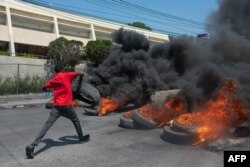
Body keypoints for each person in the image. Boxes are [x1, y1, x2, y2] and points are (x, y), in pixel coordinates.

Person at [25, 64, 90, 159]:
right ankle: (81, 138)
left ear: (55, 71)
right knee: (75, 120)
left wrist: (46, 89)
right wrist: (81, 76)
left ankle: (33, 145)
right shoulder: (67, 75)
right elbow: (79, 73)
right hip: (67, 106)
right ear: (62, 69)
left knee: (47, 125)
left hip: (57, 107)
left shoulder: (54, 79)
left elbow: (45, 87)